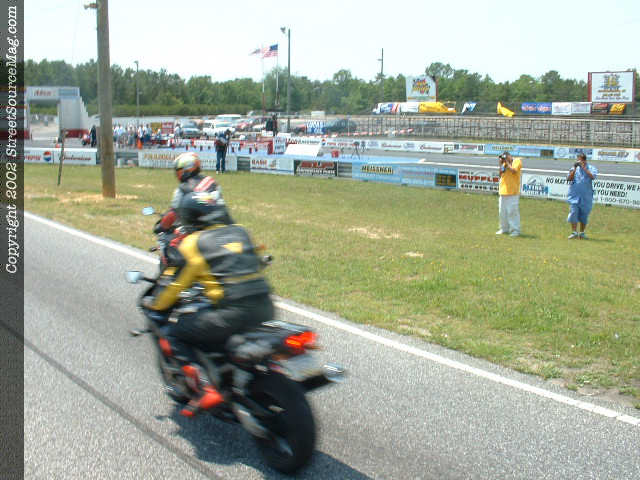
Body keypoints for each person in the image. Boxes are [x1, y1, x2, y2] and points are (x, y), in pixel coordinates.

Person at [142, 190, 274, 417]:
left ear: (189, 217)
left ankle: (206, 387)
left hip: (231, 312)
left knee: (174, 333)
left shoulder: (193, 243)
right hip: (266, 306)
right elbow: (254, 263)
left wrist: (156, 304)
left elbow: (176, 285)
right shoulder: (241, 231)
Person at [154, 152, 220, 235]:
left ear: (186, 169)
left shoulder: (183, 188)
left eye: (178, 171)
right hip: (219, 227)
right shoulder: (211, 181)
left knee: (170, 241)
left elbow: (173, 214)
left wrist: (161, 227)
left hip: (198, 231)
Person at [566, 152, 598, 239]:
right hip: (574, 195)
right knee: (573, 213)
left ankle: (582, 233)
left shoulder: (591, 168)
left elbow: (593, 177)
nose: (579, 162)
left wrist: (584, 168)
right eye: (578, 160)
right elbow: (569, 178)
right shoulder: (573, 168)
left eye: (581, 160)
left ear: (585, 160)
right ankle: (574, 232)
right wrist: (575, 168)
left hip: (586, 196)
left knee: (584, 215)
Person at [496, 151, 523, 237]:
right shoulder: (504, 164)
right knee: (502, 212)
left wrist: (507, 163)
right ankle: (504, 228)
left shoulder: (517, 161)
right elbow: (500, 174)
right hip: (503, 191)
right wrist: (501, 164)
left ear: (509, 156)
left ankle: (515, 230)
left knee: (512, 212)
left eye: (506, 157)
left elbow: (514, 171)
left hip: (513, 192)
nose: (505, 159)